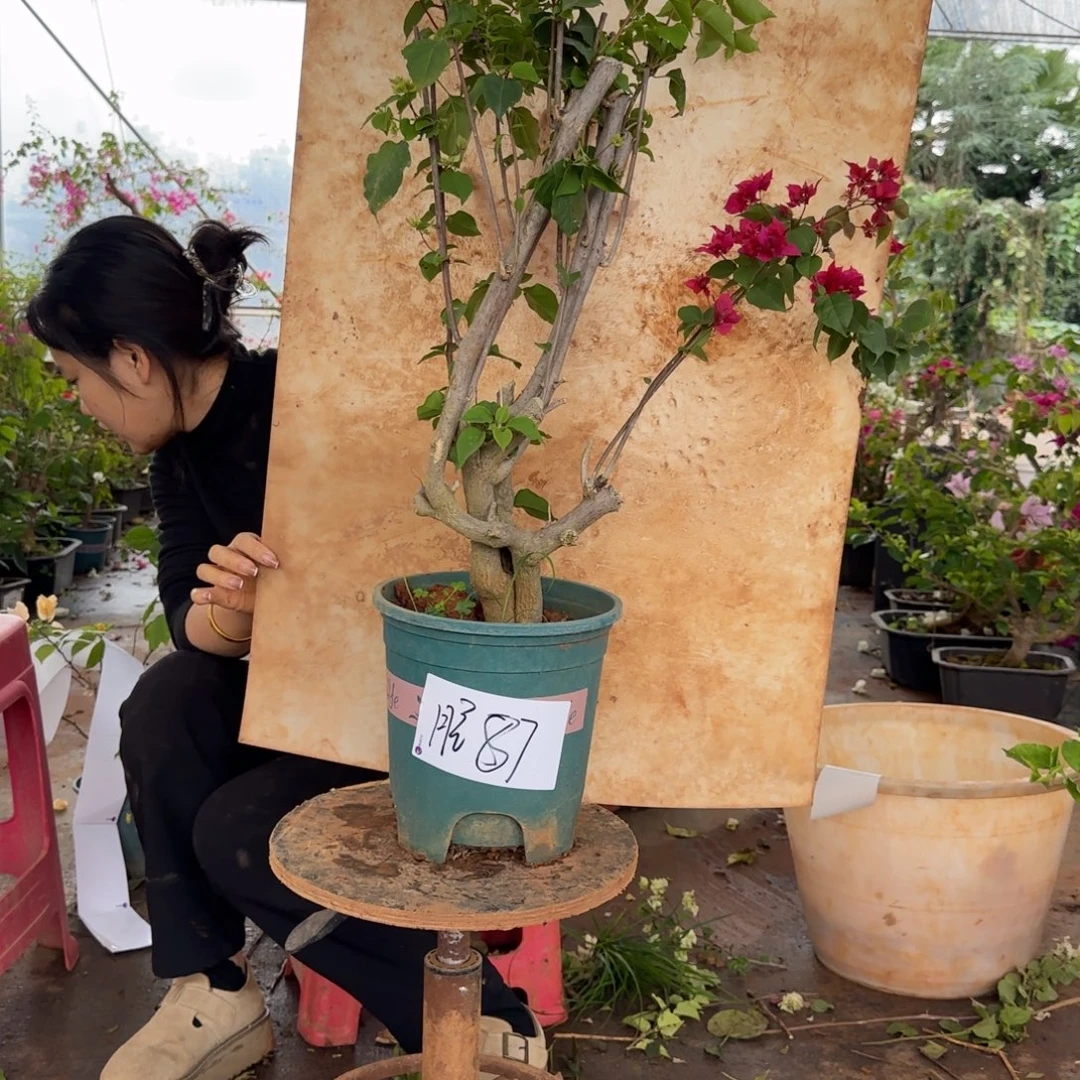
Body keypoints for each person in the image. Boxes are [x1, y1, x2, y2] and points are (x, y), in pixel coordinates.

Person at [26, 215, 544, 1080]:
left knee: (242, 830)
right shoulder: (178, 456)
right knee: (164, 699)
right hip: (301, 699)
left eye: (76, 377)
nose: (79, 402)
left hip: (411, 700)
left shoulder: (299, 401)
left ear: (132, 358)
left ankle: (485, 1015)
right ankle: (212, 993)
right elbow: (189, 617)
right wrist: (235, 607)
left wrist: (308, 591)